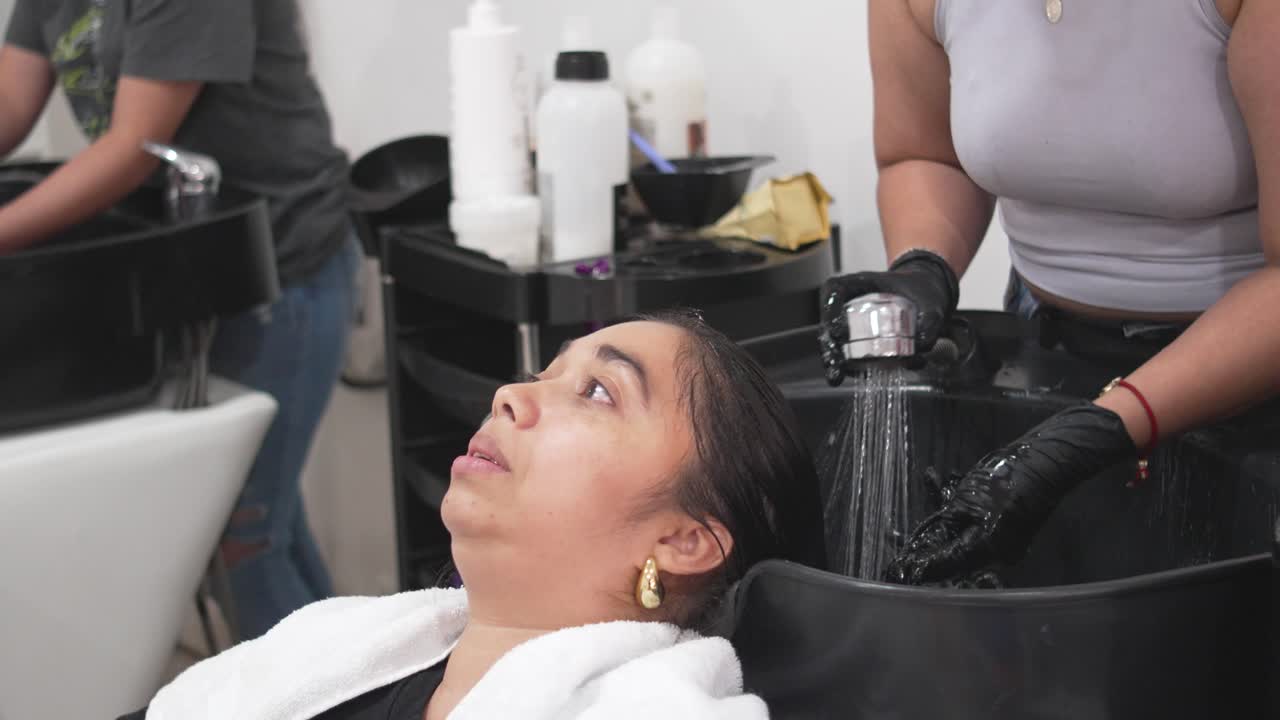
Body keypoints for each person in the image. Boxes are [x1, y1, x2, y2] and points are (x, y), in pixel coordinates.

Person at [116, 312, 827, 719]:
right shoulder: (333, 652)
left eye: (599, 392)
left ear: (684, 539)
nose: (510, 395)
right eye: (544, 373)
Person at [819, 0, 1279, 585]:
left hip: (1250, 369)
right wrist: (923, 265)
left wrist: (1111, 422)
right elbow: (925, 154)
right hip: (1047, 342)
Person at [0, 0, 358, 637]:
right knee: (262, 522)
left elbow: (132, 148)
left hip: (277, 265)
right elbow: (9, 102)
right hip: (190, 269)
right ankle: (363, 681)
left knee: (242, 537)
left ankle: (332, 686)